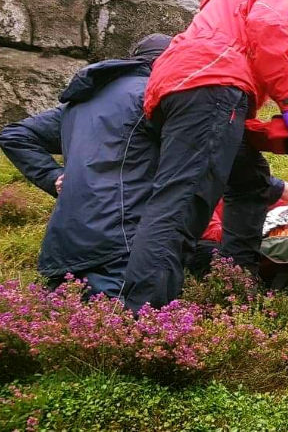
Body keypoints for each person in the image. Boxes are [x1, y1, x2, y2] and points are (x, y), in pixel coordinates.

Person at [120, 0, 288, 310]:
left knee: (250, 181)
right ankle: (144, 318)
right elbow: (269, 30)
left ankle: (236, 287)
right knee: (182, 205)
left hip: (187, 88)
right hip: (212, 87)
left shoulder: (230, 5)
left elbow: (248, 54)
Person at [0, 34, 172, 298]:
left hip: (67, 237)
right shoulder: (152, 97)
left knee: (55, 330)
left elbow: (15, 135)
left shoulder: (80, 102)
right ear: (168, 60)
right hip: (121, 239)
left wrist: (52, 176)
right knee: (119, 329)